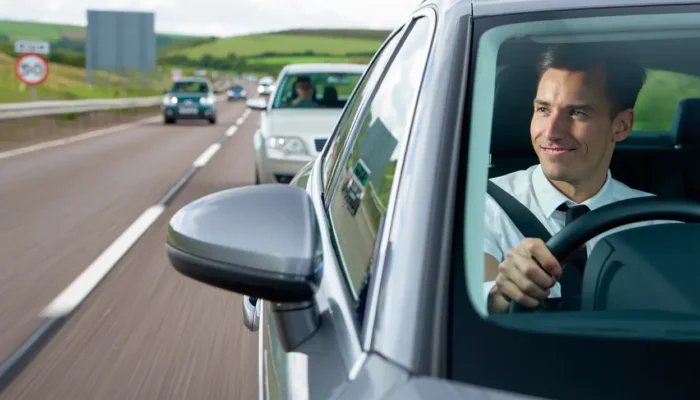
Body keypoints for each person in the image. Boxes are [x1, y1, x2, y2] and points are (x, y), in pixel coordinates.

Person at [484, 43, 657, 314]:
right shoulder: (481, 206)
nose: (551, 131)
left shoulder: (660, 223)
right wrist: (502, 293)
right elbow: (472, 298)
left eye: (577, 113)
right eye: (543, 110)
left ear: (621, 125)